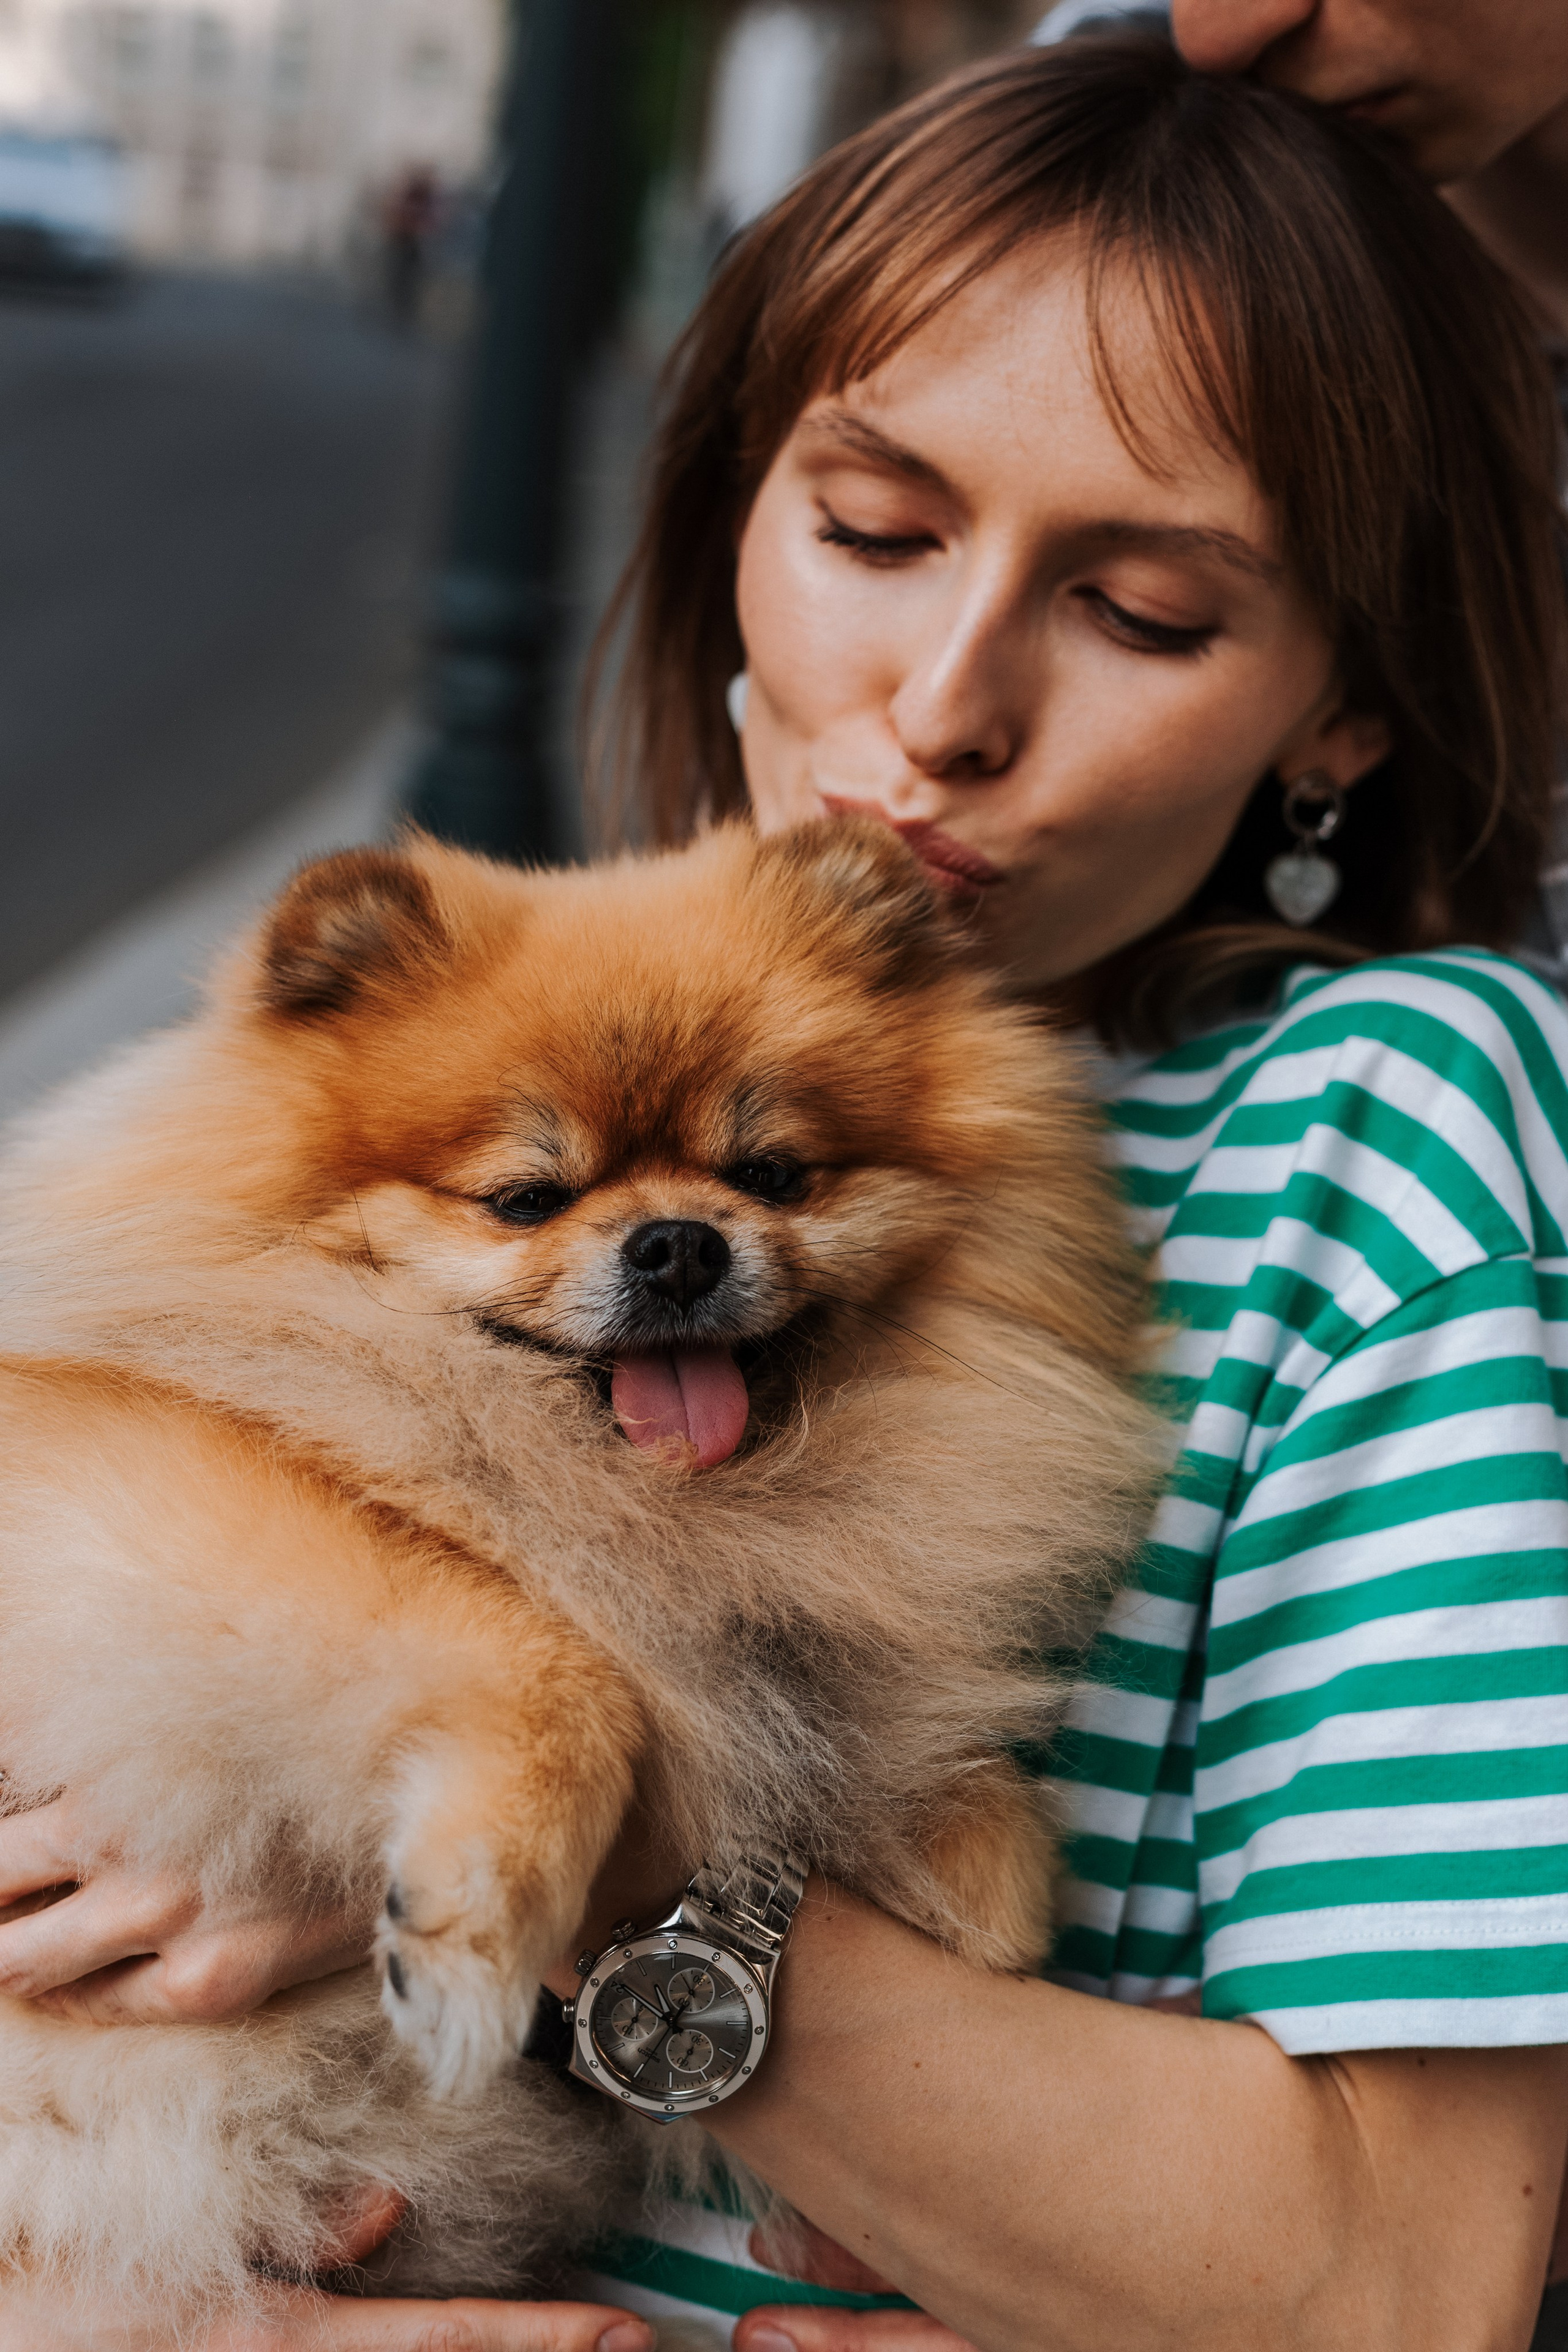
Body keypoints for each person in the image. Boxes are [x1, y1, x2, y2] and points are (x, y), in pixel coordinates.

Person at [5, 37, 1568, 2352]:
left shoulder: (1375, 1130)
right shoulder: (492, 1014)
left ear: (1343, 704)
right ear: (735, 500)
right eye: (872, 530)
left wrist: (568, 1847)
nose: (943, 705)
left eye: (1141, 612)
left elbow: (1396, 2292)